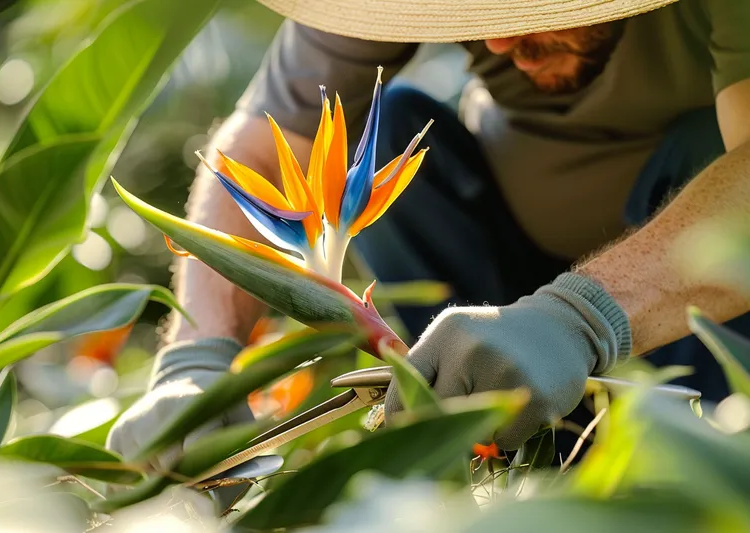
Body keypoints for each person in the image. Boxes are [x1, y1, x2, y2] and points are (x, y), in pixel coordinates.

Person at [107, 0, 750, 488]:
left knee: (706, 145)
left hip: (702, 314)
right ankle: (488, 436)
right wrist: (196, 361)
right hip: (503, 291)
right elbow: (262, 149)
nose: (500, 41)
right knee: (388, 137)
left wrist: (581, 317)